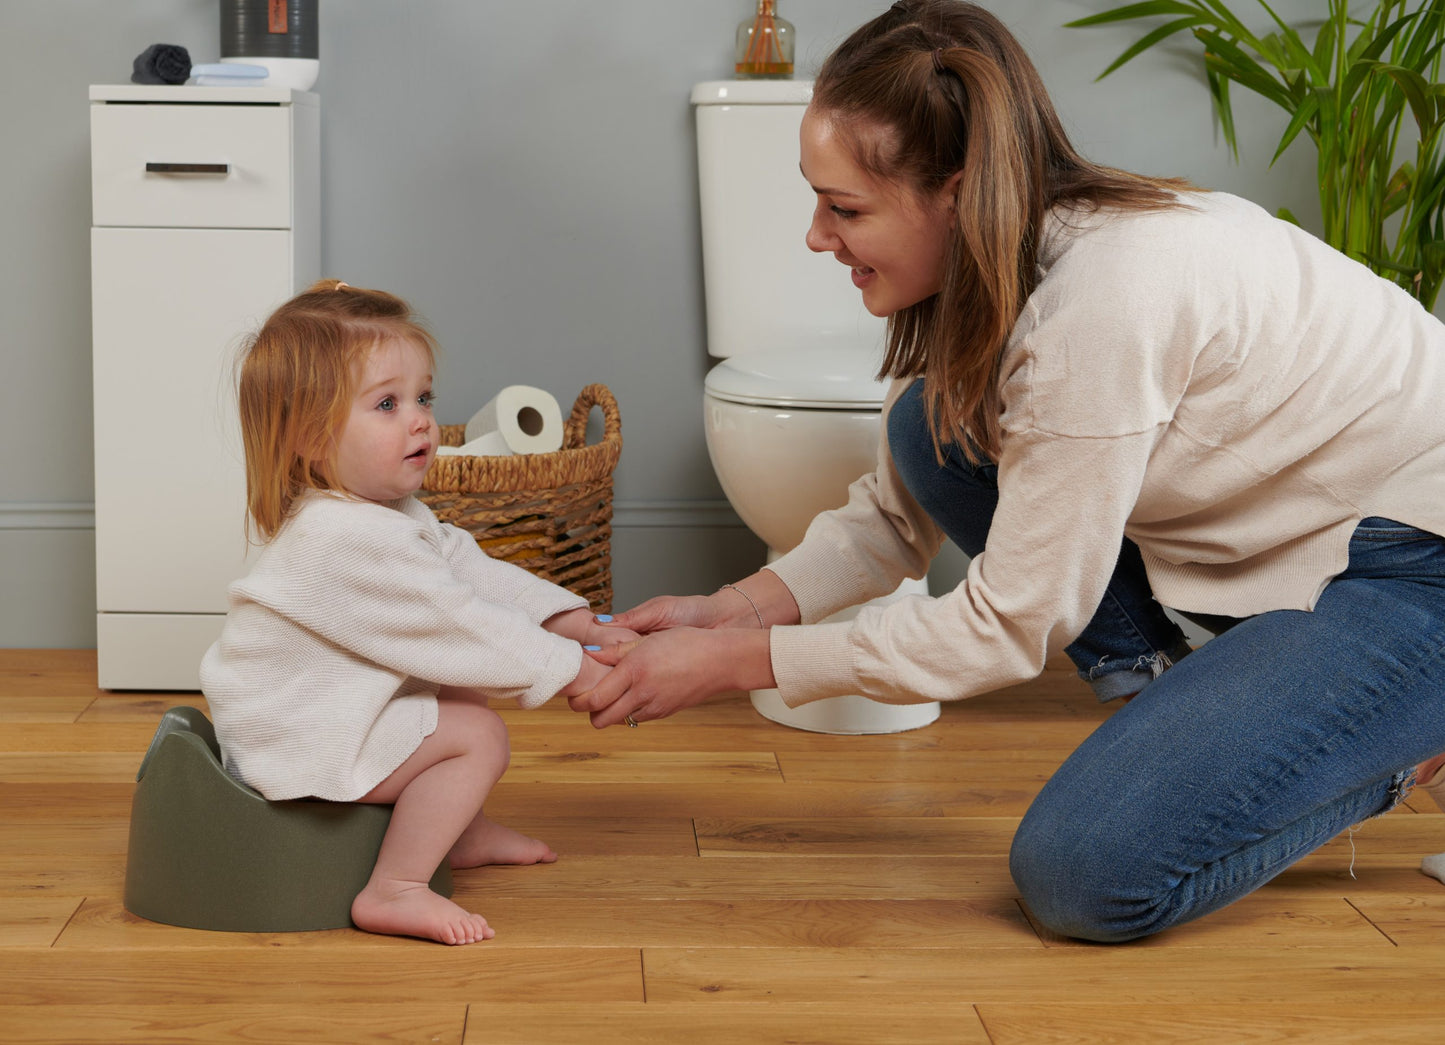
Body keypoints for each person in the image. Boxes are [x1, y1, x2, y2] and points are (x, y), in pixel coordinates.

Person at [570, 0, 1445, 942]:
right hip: (1305, 539)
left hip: (1411, 563)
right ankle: (1179, 703)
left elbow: (1010, 623)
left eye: (845, 208)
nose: (816, 237)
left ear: (953, 190)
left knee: (1082, 876)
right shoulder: (1002, 260)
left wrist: (738, 665)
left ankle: (1399, 738)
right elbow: (893, 515)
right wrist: (734, 610)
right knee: (929, 425)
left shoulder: (1104, 303)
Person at [200, 279, 636, 945]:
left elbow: (469, 573)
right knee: (478, 735)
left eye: (423, 396)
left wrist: (565, 620)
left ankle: (460, 830)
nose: (421, 419)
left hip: (320, 705)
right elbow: (457, 623)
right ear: (312, 438)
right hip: (293, 734)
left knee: (458, 689)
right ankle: (395, 887)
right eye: (387, 403)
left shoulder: (384, 513)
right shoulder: (343, 539)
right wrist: (572, 670)